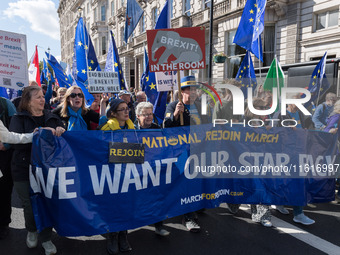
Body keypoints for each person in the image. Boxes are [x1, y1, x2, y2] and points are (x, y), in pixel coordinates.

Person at [9, 85, 65, 255]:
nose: (43, 99)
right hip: (23, 168)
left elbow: (65, 139)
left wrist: (62, 130)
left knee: (46, 202)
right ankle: (32, 230)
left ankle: (46, 238)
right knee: (29, 204)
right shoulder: (18, 119)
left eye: (43, 96)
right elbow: (14, 141)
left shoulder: (52, 117)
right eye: (38, 97)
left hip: (48, 171)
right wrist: (36, 134)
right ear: (28, 101)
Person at [163, 76, 210, 232]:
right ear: (182, 91)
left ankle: (196, 205)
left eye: (196, 89)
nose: (194, 92)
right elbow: (167, 127)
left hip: (199, 149)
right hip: (182, 152)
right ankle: (188, 217)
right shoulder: (173, 105)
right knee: (187, 181)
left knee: (198, 179)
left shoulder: (200, 105)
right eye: (191, 89)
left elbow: (208, 125)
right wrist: (176, 114)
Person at [274, 93, 315, 225]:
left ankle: (298, 213)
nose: (300, 105)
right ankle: (282, 204)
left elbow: (310, 128)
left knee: (299, 181)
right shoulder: (281, 114)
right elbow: (275, 133)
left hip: (300, 151)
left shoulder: (302, 114)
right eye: (297, 102)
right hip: (285, 152)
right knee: (287, 180)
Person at [99, 98, 134, 255]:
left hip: (129, 173)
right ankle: (112, 235)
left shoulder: (134, 128)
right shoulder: (105, 129)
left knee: (126, 204)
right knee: (114, 205)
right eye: (122, 109)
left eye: (127, 108)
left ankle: (123, 235)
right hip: (112, 174)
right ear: (113, 113)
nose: (127, 111)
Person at [135, 102, 170, 236]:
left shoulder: (157, 129)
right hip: (136, 170)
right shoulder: (131, 129)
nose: (149, 117)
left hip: (153, 169)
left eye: (151, 114)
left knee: (157, 196)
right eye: (145, 114)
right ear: (138, 116)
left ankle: (159, 225)